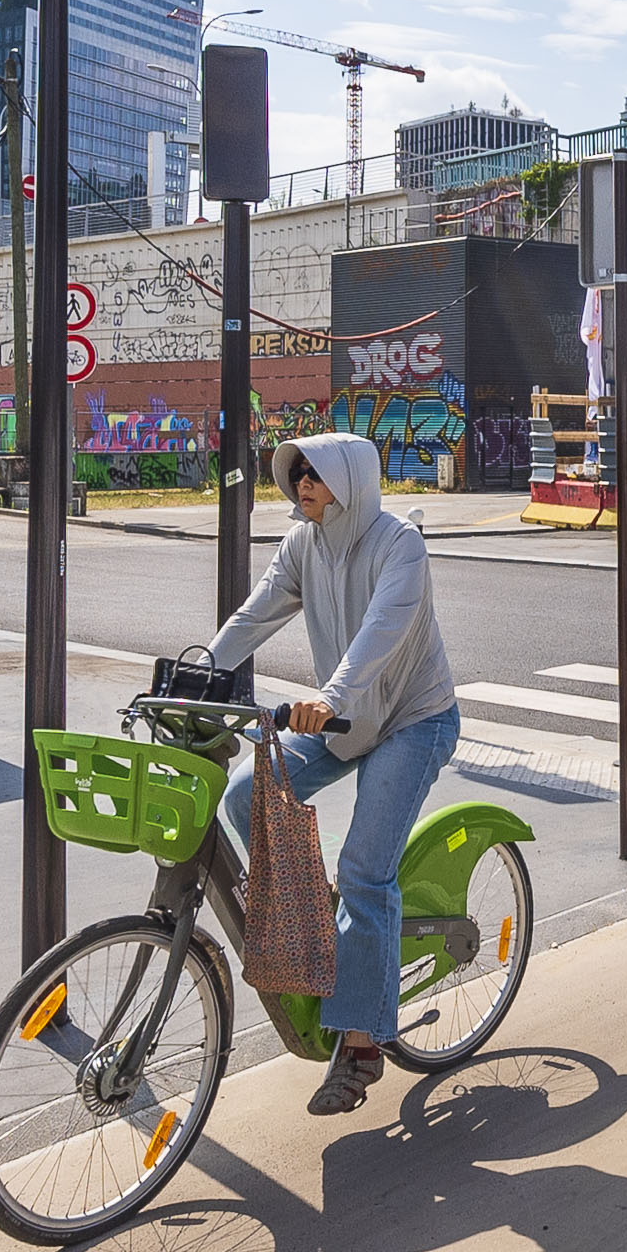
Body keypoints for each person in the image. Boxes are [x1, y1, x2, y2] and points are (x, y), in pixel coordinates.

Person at [193, 433, 464, 1117]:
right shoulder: (301, 545)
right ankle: (330, 930)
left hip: (411, 720)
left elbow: (382, 632)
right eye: (298, 473)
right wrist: (198, 674)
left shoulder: (400, 545)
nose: (303, 482)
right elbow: (254, 614)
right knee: (245, 794)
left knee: (365, 872)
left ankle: (362, 1045)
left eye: (315, 472)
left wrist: (331, 697)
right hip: (345, 721)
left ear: (350, 480)